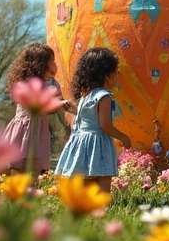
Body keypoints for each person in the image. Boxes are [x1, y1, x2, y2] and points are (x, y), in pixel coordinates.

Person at [54, 47, 131, 191]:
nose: (117, 75)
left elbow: (86, 117)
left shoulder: (86, 95)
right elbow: (105, 124)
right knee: (103, 185)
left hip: (82, 144)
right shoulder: (104, 96)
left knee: (86, 187)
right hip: (98, 144)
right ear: (106, 75)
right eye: (115, 72)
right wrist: (123, 137)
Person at [1, 43, 63, 173]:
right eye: (52, 61)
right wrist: (59, 104)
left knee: (34, 168)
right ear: (41, 64)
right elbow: (36, 106)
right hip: (27, 127)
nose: (55, 64)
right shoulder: (29, 83)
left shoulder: (48, 83)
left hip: (38, 128)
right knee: (22, 166)